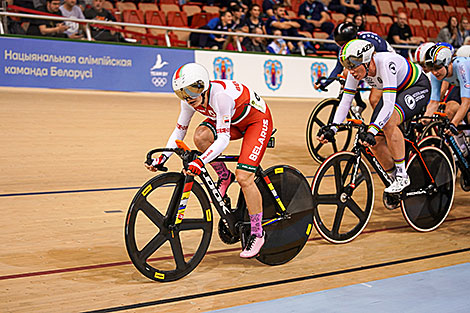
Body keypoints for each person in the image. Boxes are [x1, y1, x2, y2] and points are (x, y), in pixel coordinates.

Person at [146, 63, 274, 258]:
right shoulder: (190, 101)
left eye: (191, 91)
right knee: (201, 137)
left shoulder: (219, 97)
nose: (188, 98)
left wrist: (200, 162)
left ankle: (258, 233)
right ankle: (224, 175)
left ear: (203, 86)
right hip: (233, 121)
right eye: (182, 93)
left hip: (256, 121)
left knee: (245, 177)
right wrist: (162, 158)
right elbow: (180, 131)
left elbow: (222, 140)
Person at [317, 39, 431, 193]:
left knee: (388, 122)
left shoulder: (385, 63)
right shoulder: (355, 70)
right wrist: (333, 128)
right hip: (396, 92)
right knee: (374, 142)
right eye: (347, 67)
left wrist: (372, 130)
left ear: (366, 62)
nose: (350, 72)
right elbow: (345, 102)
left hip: (416, 86)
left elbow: (389, 105)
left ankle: (402, 176)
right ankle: (393, 179)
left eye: (353, 67)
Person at [315, 22, 393, 114]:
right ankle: (360, 103)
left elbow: (367, 68)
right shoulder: (348, 45)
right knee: (346, 73)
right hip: (370, 67)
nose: (342, 47)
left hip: (384, 66)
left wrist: (351, 83)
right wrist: (325, 83)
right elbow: (338, 67)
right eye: (340, 44)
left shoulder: (368, 42)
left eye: (343, 44)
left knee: (374, 100)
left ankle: (387, 125)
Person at [422, 45, 470, 141]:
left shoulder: (461, 66)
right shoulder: (436, 74)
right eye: (431, 69)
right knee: (449, 110)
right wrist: (424, 120)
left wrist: (454, 124)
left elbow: (466, 102)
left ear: (447, 63)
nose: (435, 73)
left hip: (465, 80)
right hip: (461, 85)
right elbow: (434, 102)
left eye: (437, 68)